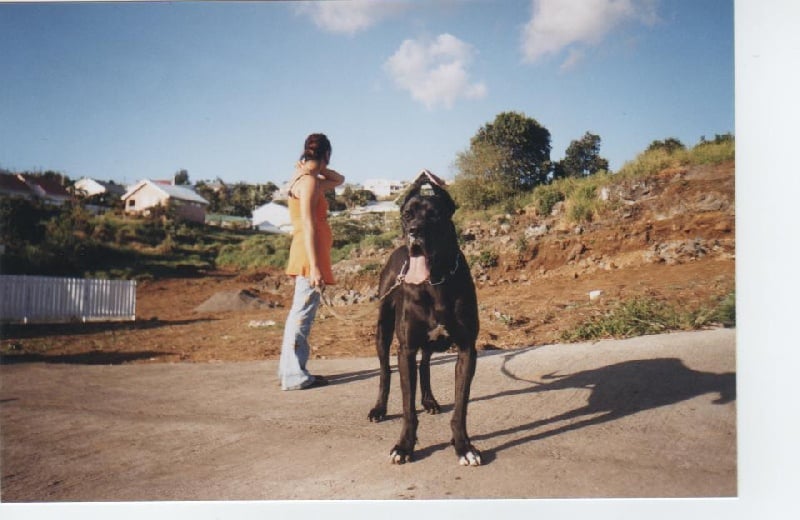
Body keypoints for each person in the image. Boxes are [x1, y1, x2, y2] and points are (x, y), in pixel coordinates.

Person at [278, 133, 344, 390]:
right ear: (327, 154)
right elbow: (308, 225)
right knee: (301, 315)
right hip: (309, 256)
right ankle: (294, 376)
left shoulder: (306, 178)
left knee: (299, 314)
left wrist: (315, 167)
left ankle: (290, 371)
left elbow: (339, 180)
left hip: (308, 253)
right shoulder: (308, 182)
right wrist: (315, 268)